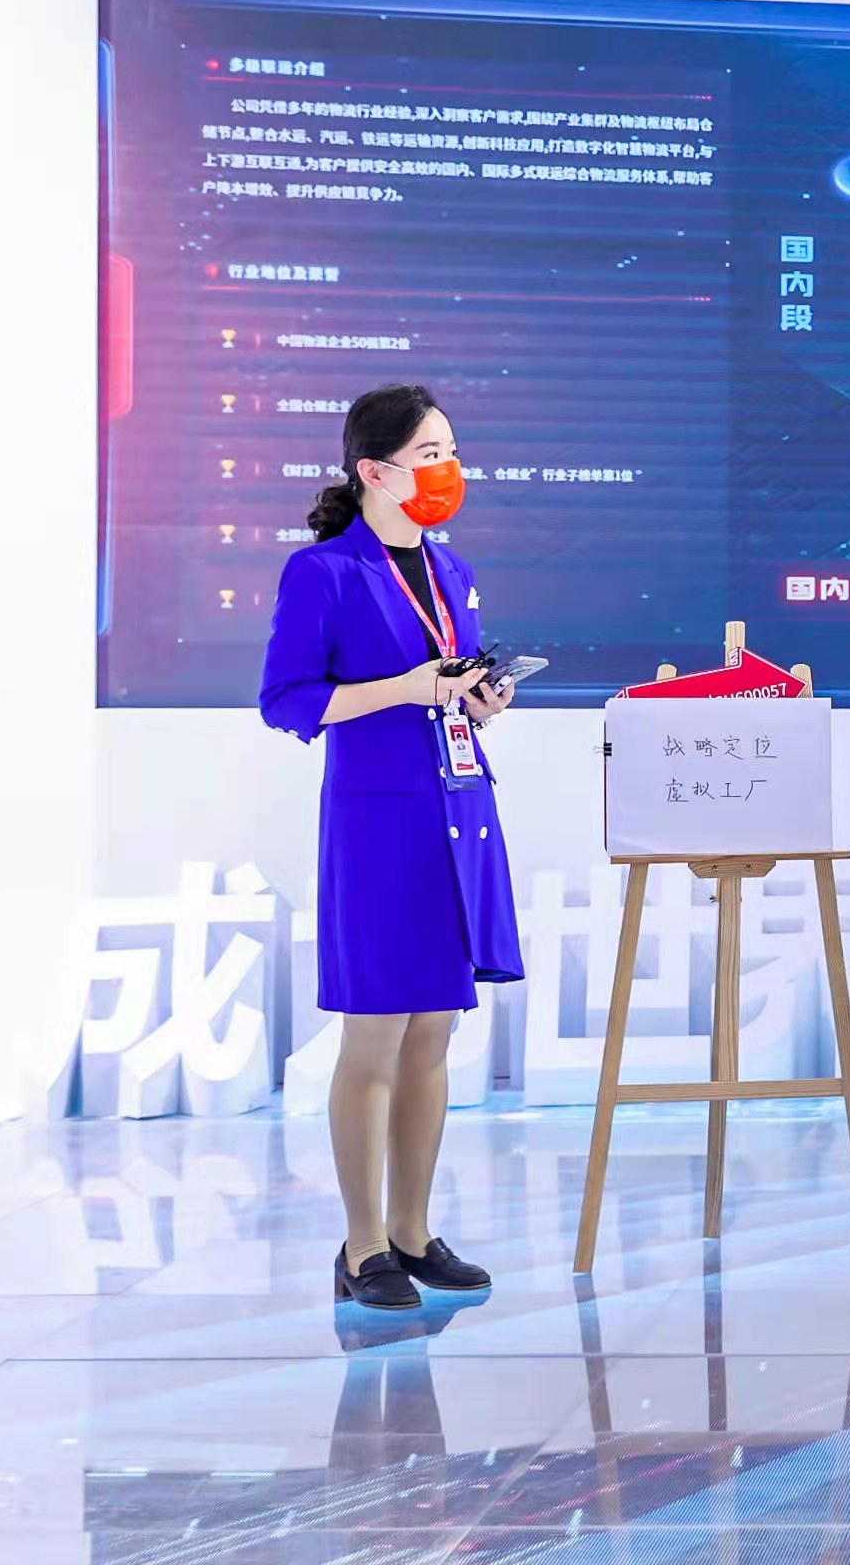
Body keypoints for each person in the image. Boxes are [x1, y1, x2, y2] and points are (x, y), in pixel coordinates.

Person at [259, 384, 523, 1312]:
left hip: (457, 809)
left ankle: (413, 1232)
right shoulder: (323, 573)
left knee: (434, 1034)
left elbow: (452, 683)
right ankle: (362, 1244)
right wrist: (405, 687)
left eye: (452, 451)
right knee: (374, 1034)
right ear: (374, 471)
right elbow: (287, 701)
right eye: (429, 455)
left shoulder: (452, 570)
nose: (448, 469)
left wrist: (478, 700)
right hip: (377, 823)